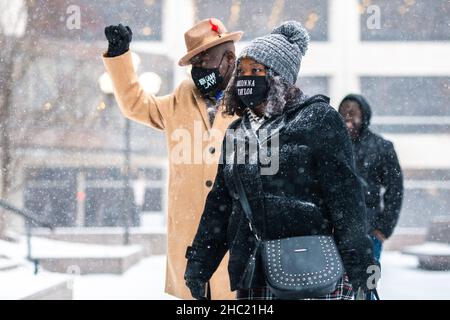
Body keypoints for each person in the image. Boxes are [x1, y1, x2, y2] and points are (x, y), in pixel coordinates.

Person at [184, 21, 377, 300]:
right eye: (243, 70)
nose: (247, 77)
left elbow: (346, 199)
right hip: (256, 270)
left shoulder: (318, 120)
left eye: (257, 70)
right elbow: (220, 204)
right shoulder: (236, 133)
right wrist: (200, 265)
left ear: (277, 76)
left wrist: (363, 268)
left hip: (314, 267)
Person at [102, 18, 243, 299]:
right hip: (190, 247)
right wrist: (120, 58)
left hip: (236, 245)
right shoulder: (180, 102)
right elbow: (135, 104)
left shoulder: (252, 101)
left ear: (229, 58)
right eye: (195, 62)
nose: (199, 67)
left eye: (205, 58)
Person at [338, 94, 403, 264]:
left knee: (367, 283)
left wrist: (383, 229)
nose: (347, 117)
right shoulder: (332, 145)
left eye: (353, 112)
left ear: (364, 116)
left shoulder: (382, 147)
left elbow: (395, 190)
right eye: (343, 112)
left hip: (370, 231)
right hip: (336, 231)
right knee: (338, 287)